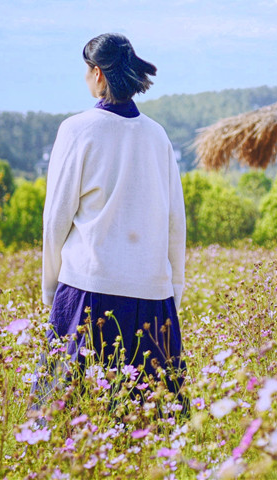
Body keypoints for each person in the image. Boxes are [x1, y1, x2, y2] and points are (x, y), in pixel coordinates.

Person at [39, 33, 187, 406]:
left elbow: (56, 220)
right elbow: (175, 224)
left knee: (68, 421)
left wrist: (50, 290)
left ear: (99, 75)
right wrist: (174, 293)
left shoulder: (76, 129)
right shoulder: (159, 136)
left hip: (87, 291)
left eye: (87, 71)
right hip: (153, 297)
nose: (86, 78)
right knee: (154, 428)